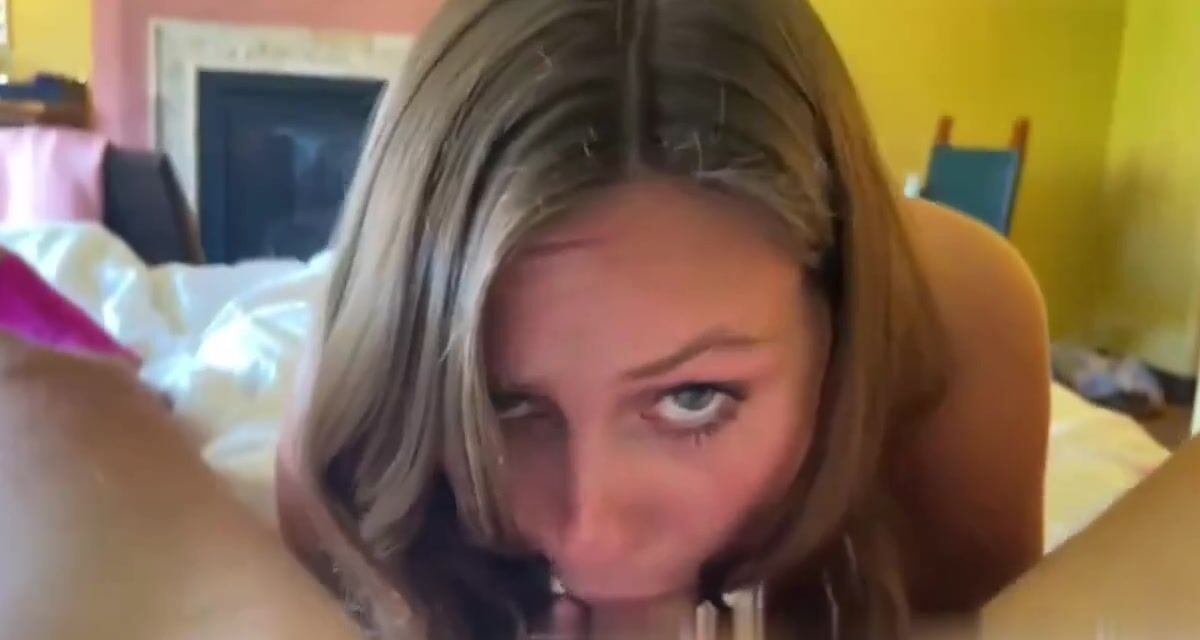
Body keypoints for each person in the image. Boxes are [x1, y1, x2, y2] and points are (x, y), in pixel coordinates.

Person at [274, 0, 1049, 638]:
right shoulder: (360, 420)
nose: (592, 535)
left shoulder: (959, 329)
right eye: (503, 402)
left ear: (839, 324)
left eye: (693, 398)